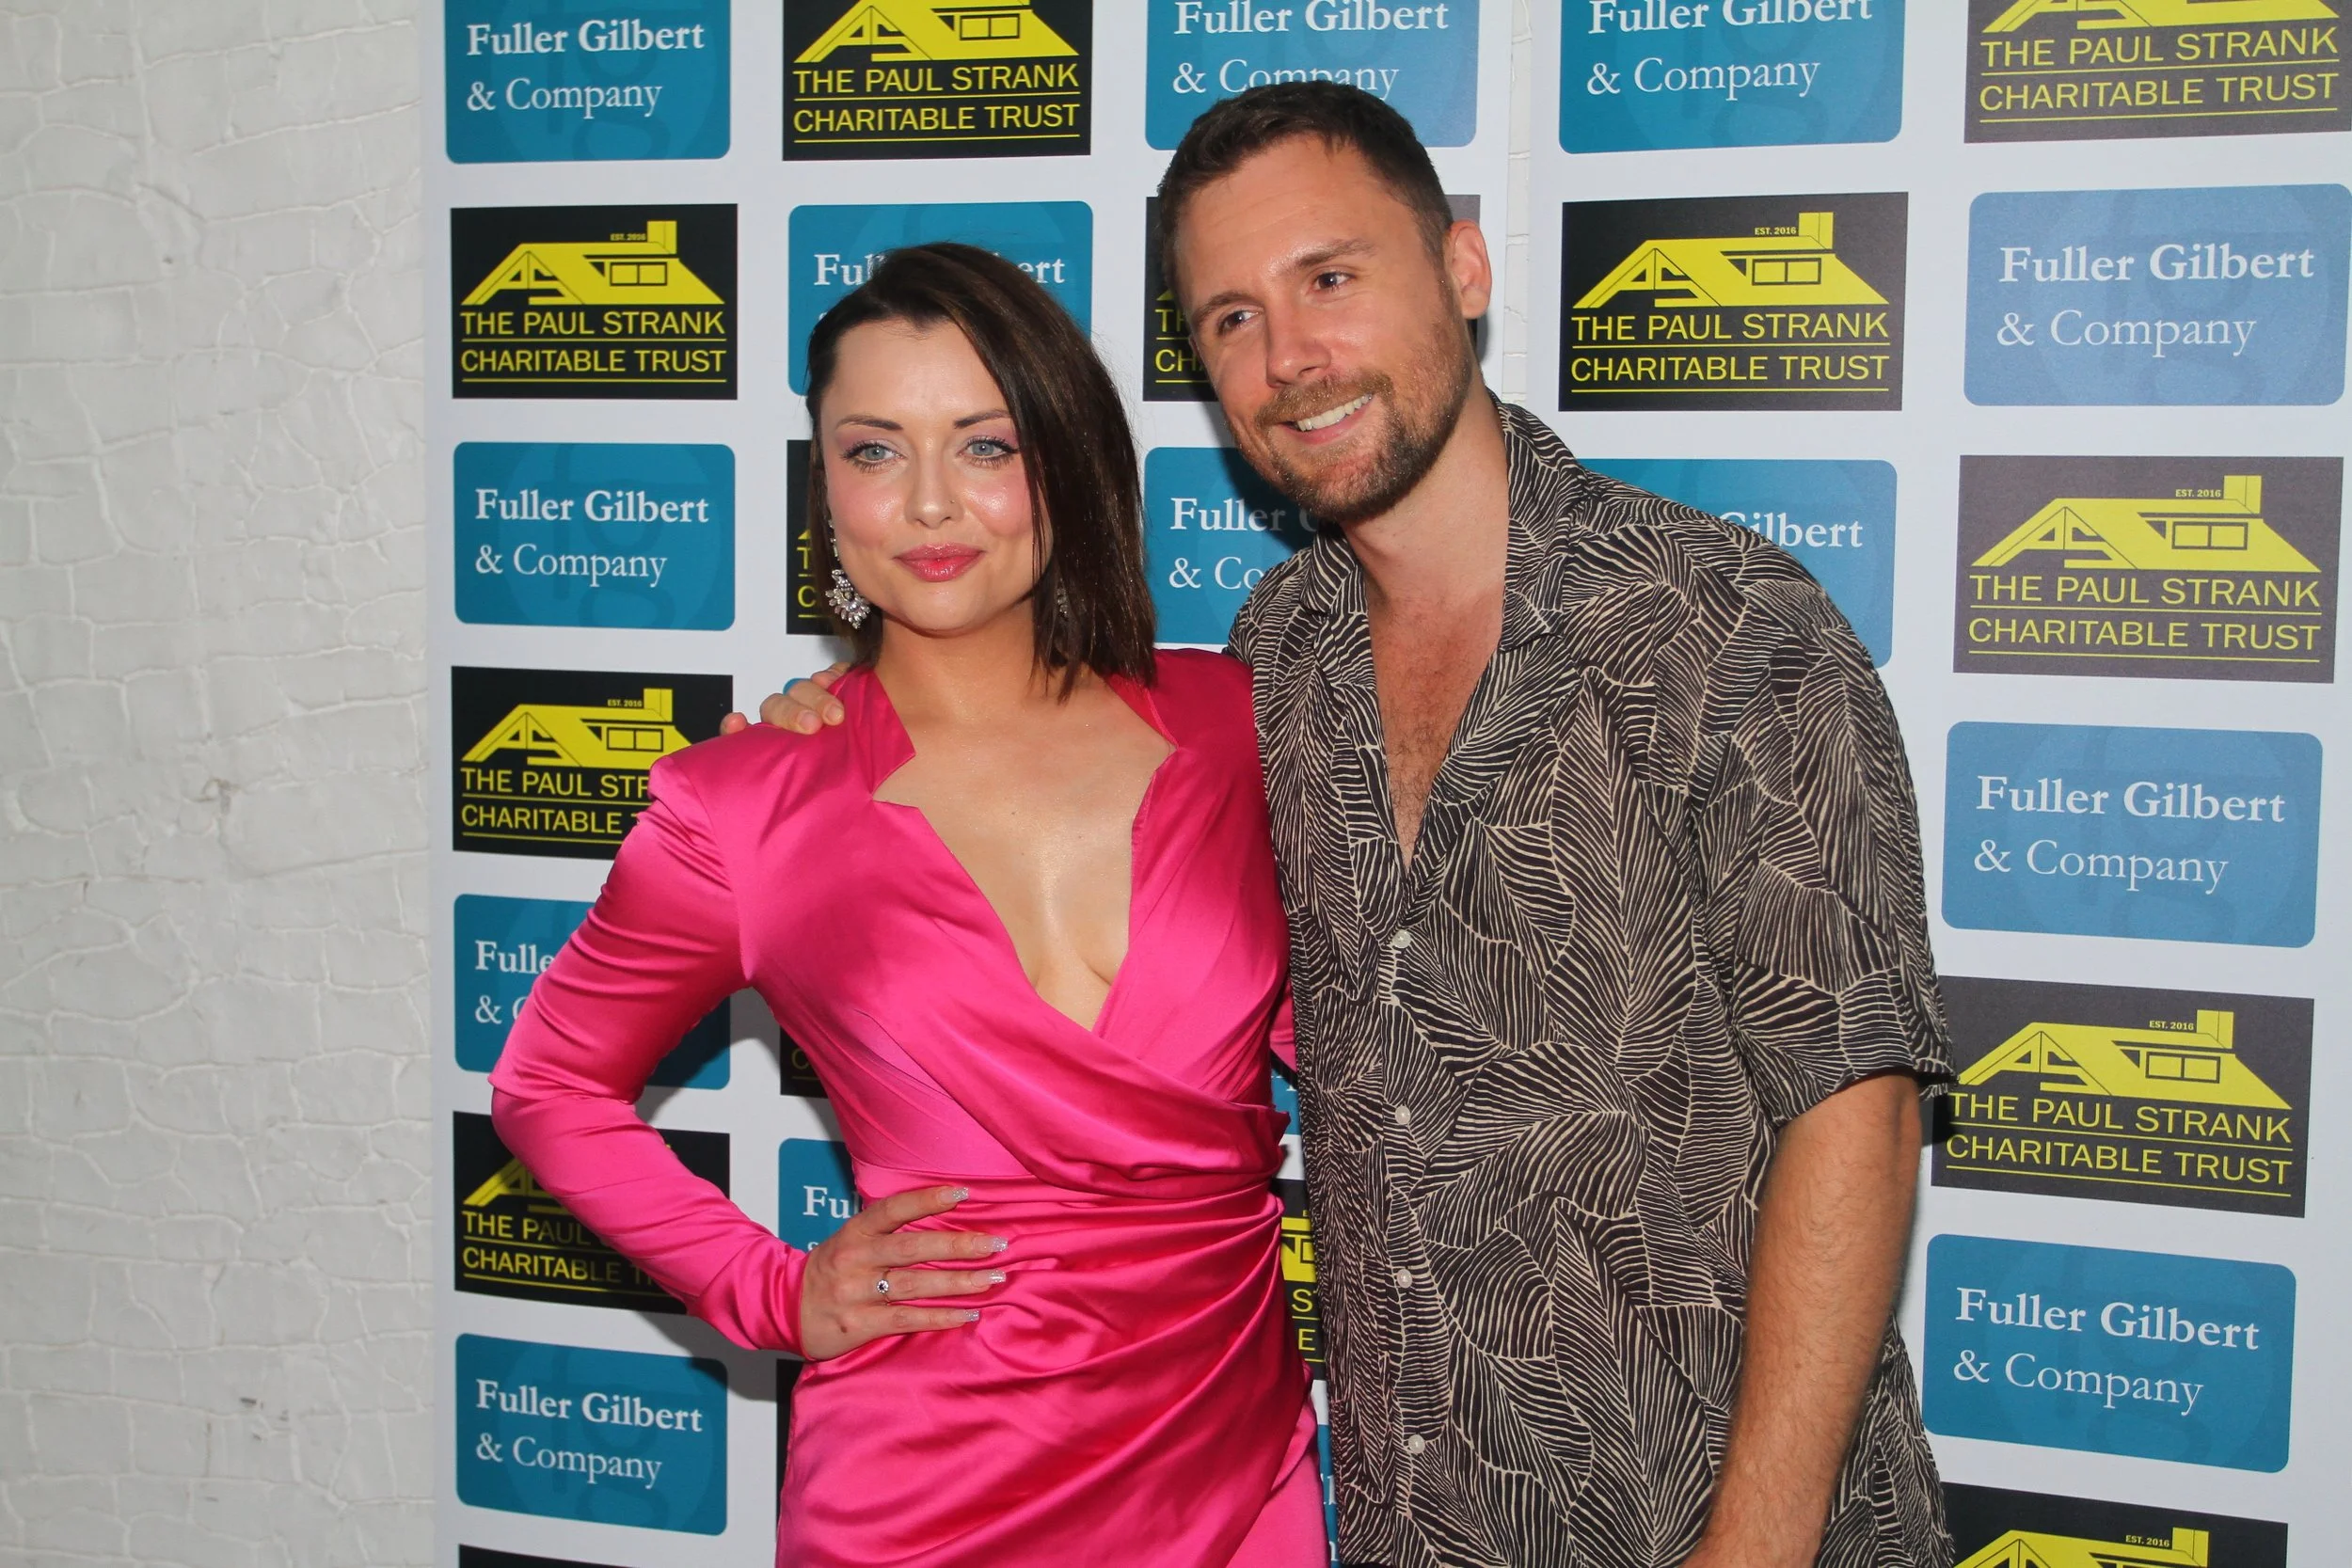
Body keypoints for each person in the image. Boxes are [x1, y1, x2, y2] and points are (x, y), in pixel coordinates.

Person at [745, 87, 1955, 1568]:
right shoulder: (1272, 664)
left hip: (1715, 1520)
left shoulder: (1718, 621)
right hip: (1410, 1523)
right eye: (1233, 318)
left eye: (1331, 277)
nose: (1290, 356)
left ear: (1463, 269)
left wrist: (1751, 1552)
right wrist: (841, 724)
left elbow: (1856, 1105)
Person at [490, 243, 1324, 1568]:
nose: (931, 503)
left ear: (1066, 459)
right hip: (924, 1494)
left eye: (986, 446)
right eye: (874, 451)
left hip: (1228, 1468)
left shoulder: (1241, 726)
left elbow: (1367, 1047)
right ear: (823, 484)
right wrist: (770, 1289)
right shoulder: (746, 805)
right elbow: (548, 1084)